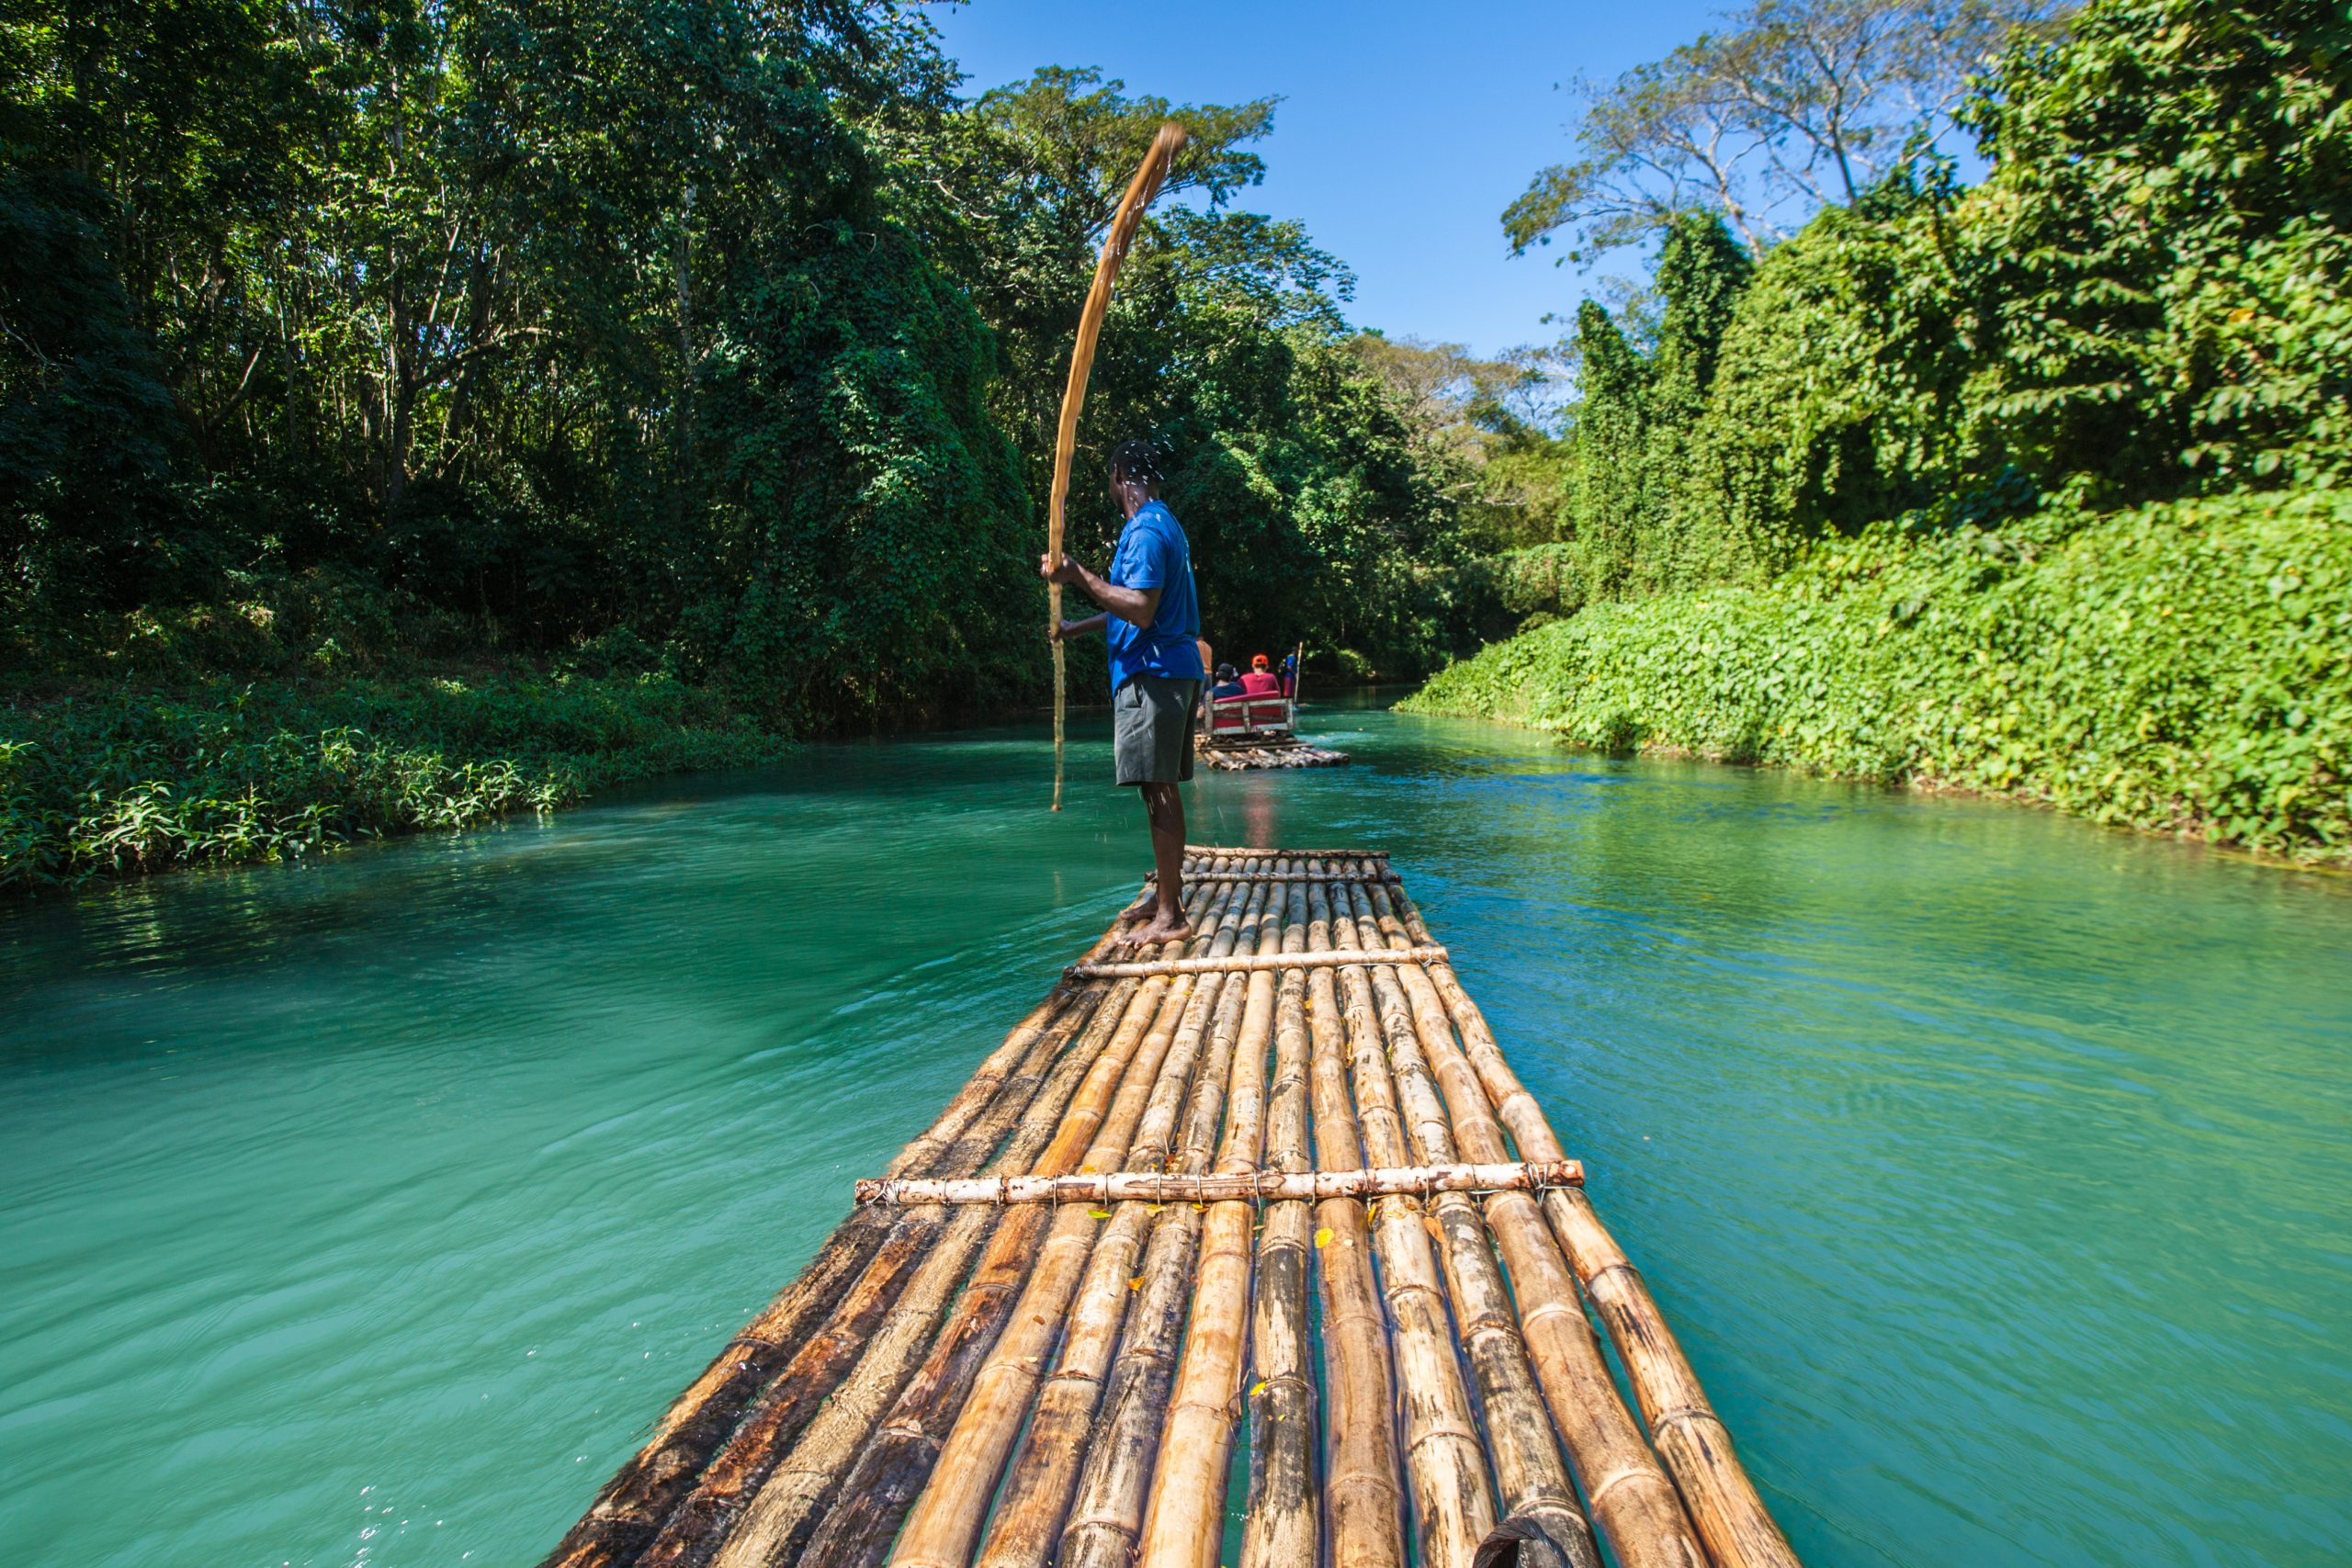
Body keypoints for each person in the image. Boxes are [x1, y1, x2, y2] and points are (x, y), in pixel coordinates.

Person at [1042, 440, 1204, 946]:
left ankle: (1171, 918)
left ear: (1118, 476)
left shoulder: (1148, 530)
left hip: (1154, 673)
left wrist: (1078, 574)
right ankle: (1165, 902)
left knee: (1157, 789)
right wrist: (1074, 628)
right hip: (1163, 671)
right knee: (1157, 789)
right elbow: (1129, 605)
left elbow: (1139, 608)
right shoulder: (1160, 524)